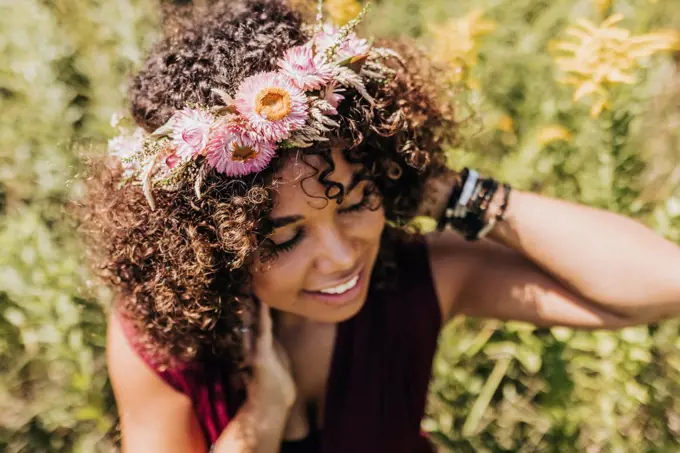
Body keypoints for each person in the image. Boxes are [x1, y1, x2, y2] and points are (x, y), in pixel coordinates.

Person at [79, 1, 680, 452]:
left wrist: (446, 188)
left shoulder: (417, 273)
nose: (341, 257)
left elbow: (661, 284)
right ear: (211, 245)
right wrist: (261, 422)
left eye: (356, 200)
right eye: (286, 237)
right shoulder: (161, 341)